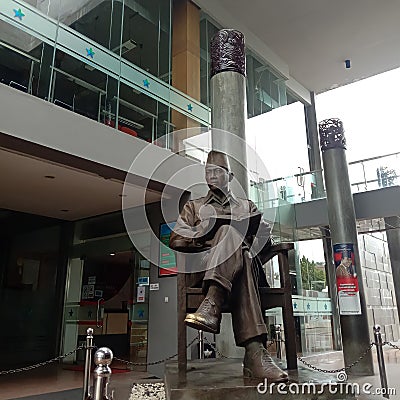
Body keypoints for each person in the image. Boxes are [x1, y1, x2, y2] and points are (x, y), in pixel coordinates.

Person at [169, 150, 288, 382]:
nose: (212, 175)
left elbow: (264, 248)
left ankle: (212, 302)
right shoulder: (194, 207)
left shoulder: (247, 206)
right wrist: (202, 234)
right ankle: (254, 352)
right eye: (208, 172)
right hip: (204, 269)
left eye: (217, 171)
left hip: (244, 271)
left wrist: (263, 236)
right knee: (228, 233)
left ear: (230, 176)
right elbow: (176, 240)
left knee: (237, 245)